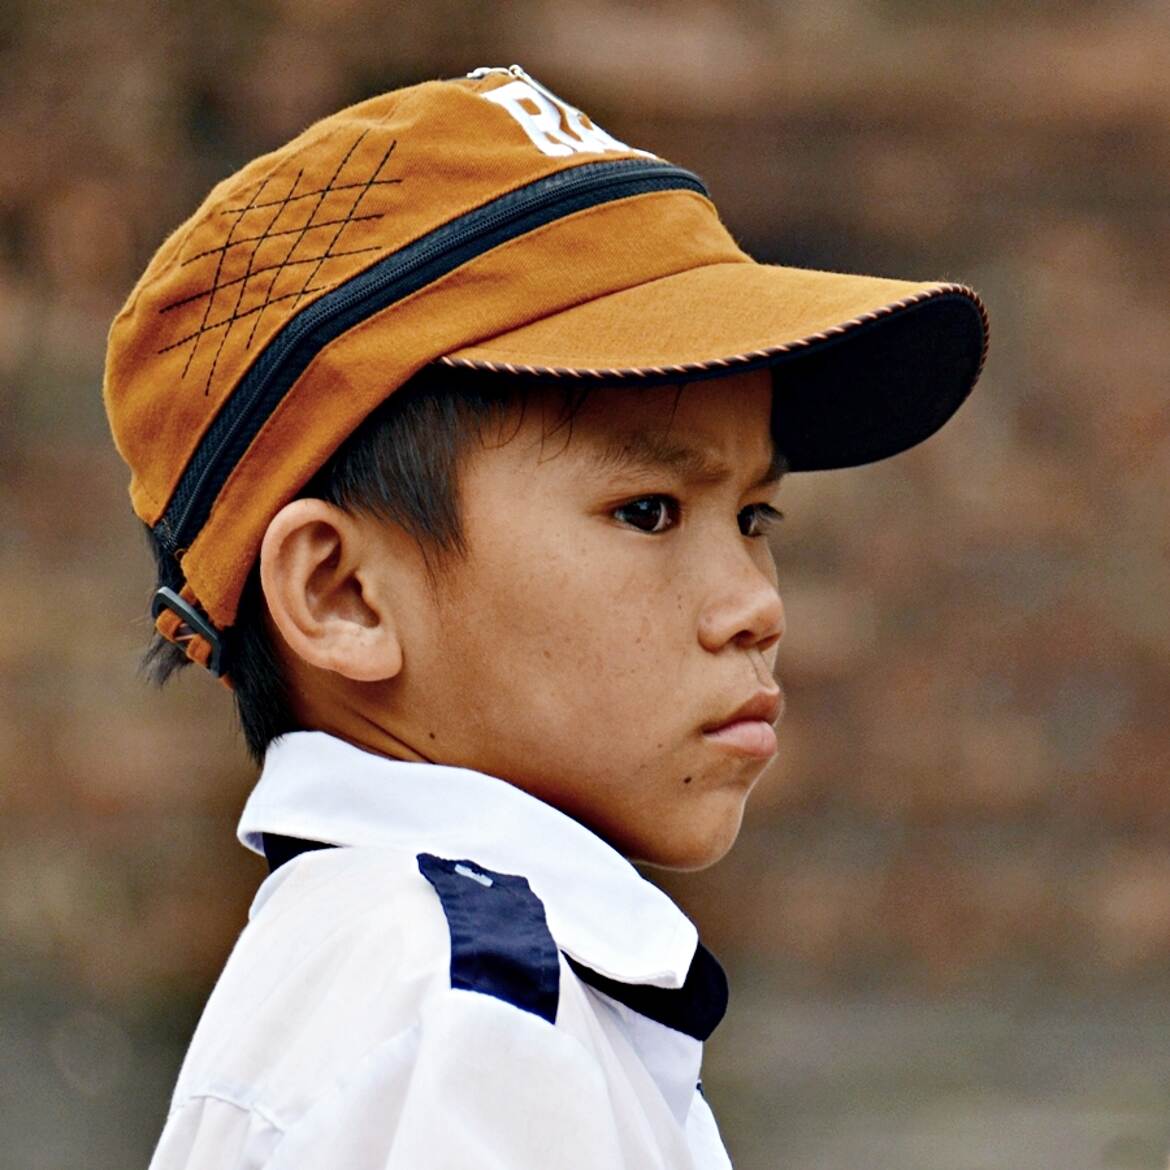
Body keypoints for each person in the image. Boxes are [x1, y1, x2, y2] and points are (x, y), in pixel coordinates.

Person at [103, 65, 988, 1169]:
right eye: (649, 511)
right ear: (343, 594)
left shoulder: (416, 972)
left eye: (756, 515)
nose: (756, 606)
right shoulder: (473, 1024)